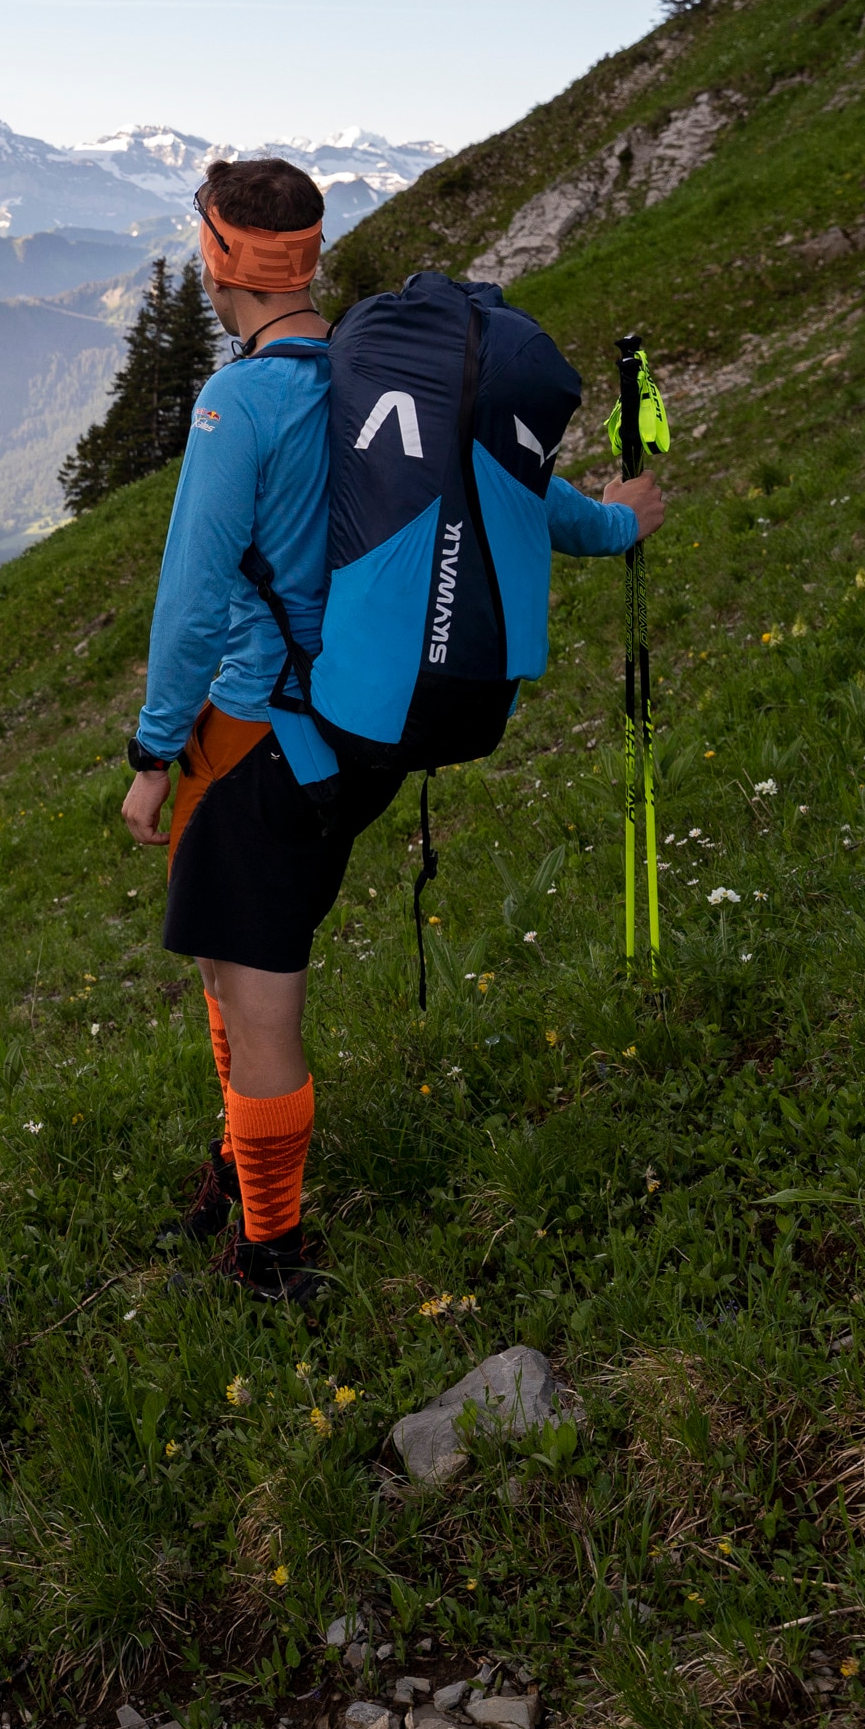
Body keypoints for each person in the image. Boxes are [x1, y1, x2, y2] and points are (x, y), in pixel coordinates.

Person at [118, 161, 665, 1301]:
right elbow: (521, 498)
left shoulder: (243, 404)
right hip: (353, 738)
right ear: (309, 258)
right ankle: (237, 1165)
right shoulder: (391, 379)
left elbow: (190, 597)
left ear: (220, 260)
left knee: (257, 992)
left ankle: (270, 1251)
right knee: (227, 963)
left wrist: (149, 752)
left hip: (261, 737)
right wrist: (619, 522)